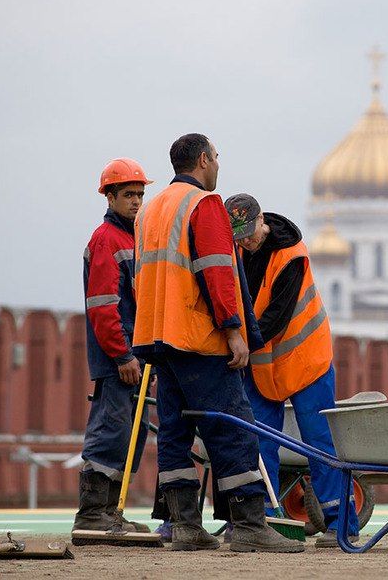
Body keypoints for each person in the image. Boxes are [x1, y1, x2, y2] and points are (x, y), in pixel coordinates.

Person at [132, 133, 303, 553]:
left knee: (174, 430)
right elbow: (216, 272)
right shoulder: (203, 205)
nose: (219, 166)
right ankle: (248, 526)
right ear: (204, 159)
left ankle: (186, 526)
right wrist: (233, 330)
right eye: (217, 158)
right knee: (231, 427)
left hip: (157, 337)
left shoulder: (150, 210)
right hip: (197, 338)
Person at [223, 193, 360, 548]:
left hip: (305, 359)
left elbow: (275, 317)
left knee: (319, 441)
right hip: (264, 363)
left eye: (248, 233)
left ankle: (341, 524)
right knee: (258, 440)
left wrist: (237, 344)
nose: (244, 241)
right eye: (236, 236)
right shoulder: (238, 252)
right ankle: (265, 522)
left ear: (261, 221)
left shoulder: (291, 256)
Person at [74, 158, 153, 535]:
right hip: (118, 358)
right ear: (110, 197)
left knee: (131, 434)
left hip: (136, 356)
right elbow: (103, 306)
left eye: (140, 194)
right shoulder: (107, 240)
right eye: (128, 195)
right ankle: (93, 514)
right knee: (111, 430)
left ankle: (112, 513)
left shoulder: (134, 238)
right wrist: (122, 355)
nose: (136, 201)